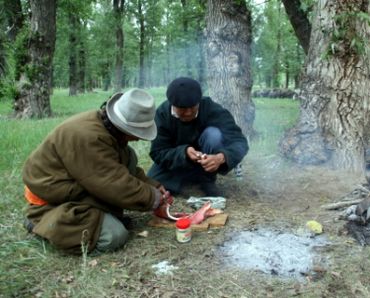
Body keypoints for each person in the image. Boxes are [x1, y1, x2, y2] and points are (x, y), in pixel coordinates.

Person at [22, 88, 168, 255]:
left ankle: (97, 216)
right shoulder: (88, 137)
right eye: (136, 133)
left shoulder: (107, 129)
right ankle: (41, 222)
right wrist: (152, 198)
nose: (137, 138)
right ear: (122, 127)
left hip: (76, 182)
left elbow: (123, 170)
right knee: (113, 236)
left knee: (130, 156)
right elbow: (113, 183)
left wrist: (153, 186)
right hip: (53, 196)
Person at [147, 77, 249, 196]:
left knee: (213, 134)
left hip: (206, 158)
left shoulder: (211, 108)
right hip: (177, 160)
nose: (189, 112)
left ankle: (206, 179)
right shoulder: (162, 114)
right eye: (183, 109)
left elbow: (239, 141)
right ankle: (189, 176)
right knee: (153, 183)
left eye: (193, 106)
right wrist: (184, 152)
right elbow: (158, 152)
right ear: (172, 104)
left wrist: (221, 157)